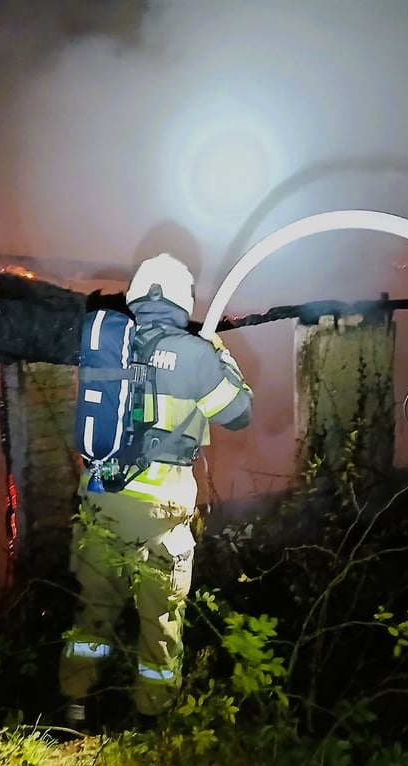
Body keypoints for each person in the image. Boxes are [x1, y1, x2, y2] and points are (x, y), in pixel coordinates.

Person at [59, 252, 253, 728]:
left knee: (94, 611)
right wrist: (222, 357)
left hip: (100, 502)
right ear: (184, 302)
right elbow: (239, 413)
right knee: (160, 619)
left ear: (135, 296)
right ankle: (153, 718)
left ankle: (75, 707)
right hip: (160, 516)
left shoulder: (107, 346)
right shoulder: (196, 354)